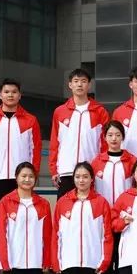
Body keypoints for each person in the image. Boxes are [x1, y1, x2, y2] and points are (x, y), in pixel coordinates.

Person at [91, 120, 137, 274]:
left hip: (123, 218)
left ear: (123, 137)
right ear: (104, 137)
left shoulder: (132, 161)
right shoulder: (97, 162)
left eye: (118, 135)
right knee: (105, 260)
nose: (114, 138)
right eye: (110, 135)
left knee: (121, 259)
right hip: (103, 218)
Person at [0, 78, 42, 201]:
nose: (10, 95)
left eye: (14, 92)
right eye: (6, 92)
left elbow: (35, 150)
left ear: (20, 95)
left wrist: (33, 174)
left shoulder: (31, 120)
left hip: (21, 178)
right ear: (0, 95)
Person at [49, 69, 110, 199]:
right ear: (70, 85)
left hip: (91, 171)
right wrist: (54, 170)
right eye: (76, 81)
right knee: (65, 209)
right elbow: (55, 143)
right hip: (66, 171)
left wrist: (103, 168)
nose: (79, 84)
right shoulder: (60, 111)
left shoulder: (100, 112)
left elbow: (105, 143)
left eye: (83, 81)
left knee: (90, 208)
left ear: (89, 85)